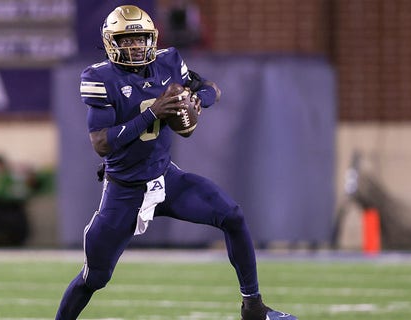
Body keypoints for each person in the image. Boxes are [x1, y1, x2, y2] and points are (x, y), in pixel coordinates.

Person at [55, 5, 298, 320]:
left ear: (151, 39)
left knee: (232, 216)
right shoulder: (99, 77)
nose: (135, 46)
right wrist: (153, 112)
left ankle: (254, 307)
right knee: (94, 278)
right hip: (124, 191)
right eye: (126, 41)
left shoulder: (168, 62)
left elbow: (209, 88)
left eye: (140, 39)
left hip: (164, 178)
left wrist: (198, 101)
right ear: (111, 43)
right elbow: (101, 143)